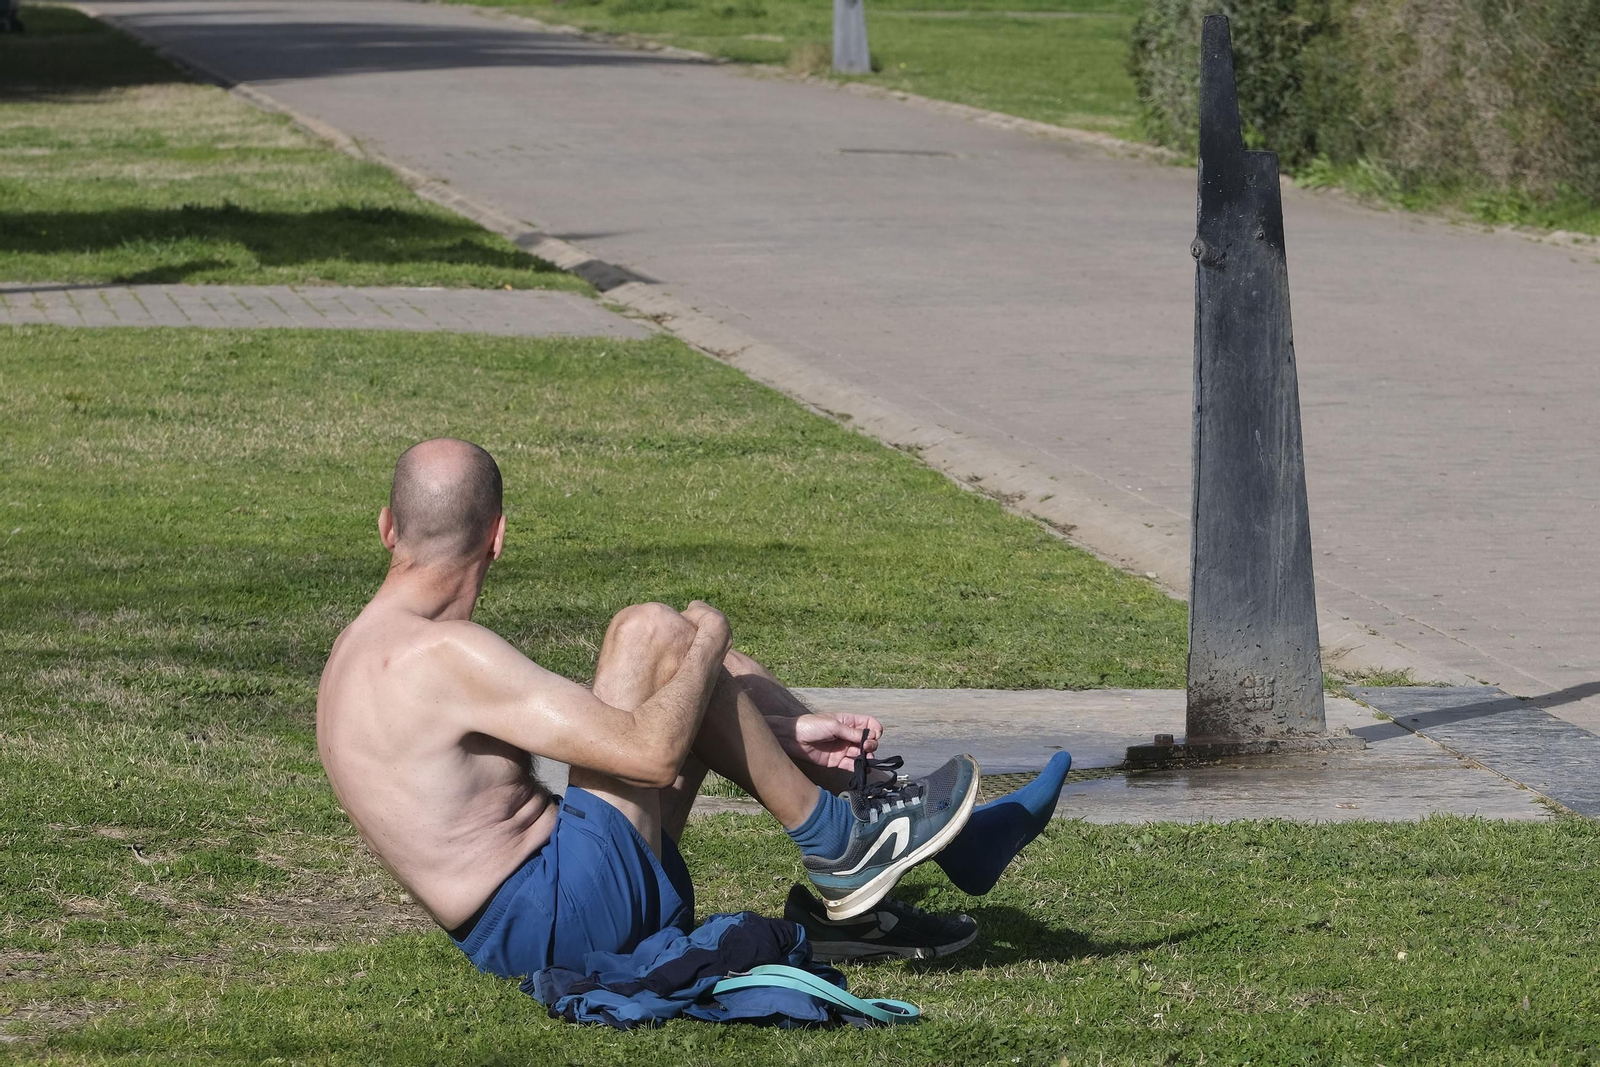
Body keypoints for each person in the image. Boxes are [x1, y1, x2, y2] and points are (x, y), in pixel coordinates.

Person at [317, 438, 1070, 980]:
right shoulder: (448, 656)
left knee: (690, 661)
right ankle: (840, 841)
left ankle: (914, 849)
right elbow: (647, 754)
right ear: (499, 536)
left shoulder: (360, 658)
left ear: (388, 526)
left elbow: (610, 731)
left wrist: (773, 725)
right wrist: (710, 640)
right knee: (658, 633)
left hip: (544, 906)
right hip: (559, 922)